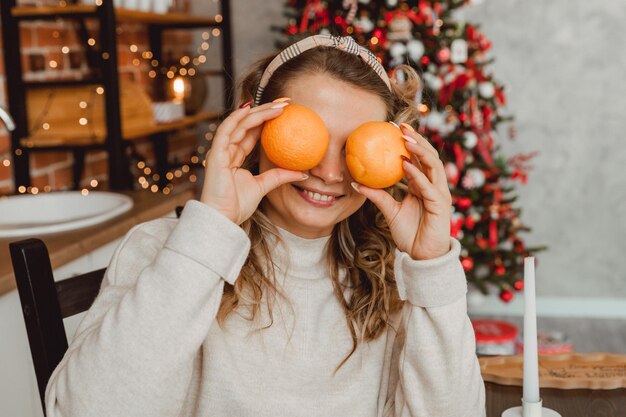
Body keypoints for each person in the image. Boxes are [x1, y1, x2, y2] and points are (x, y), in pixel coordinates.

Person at [45, 35, 486, 416]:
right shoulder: (165, 248)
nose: (330, 173)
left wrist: (431, 268)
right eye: (309, 140)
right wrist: (211, 229)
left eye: (354, 147)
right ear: (255, 131)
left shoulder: (396, 274)